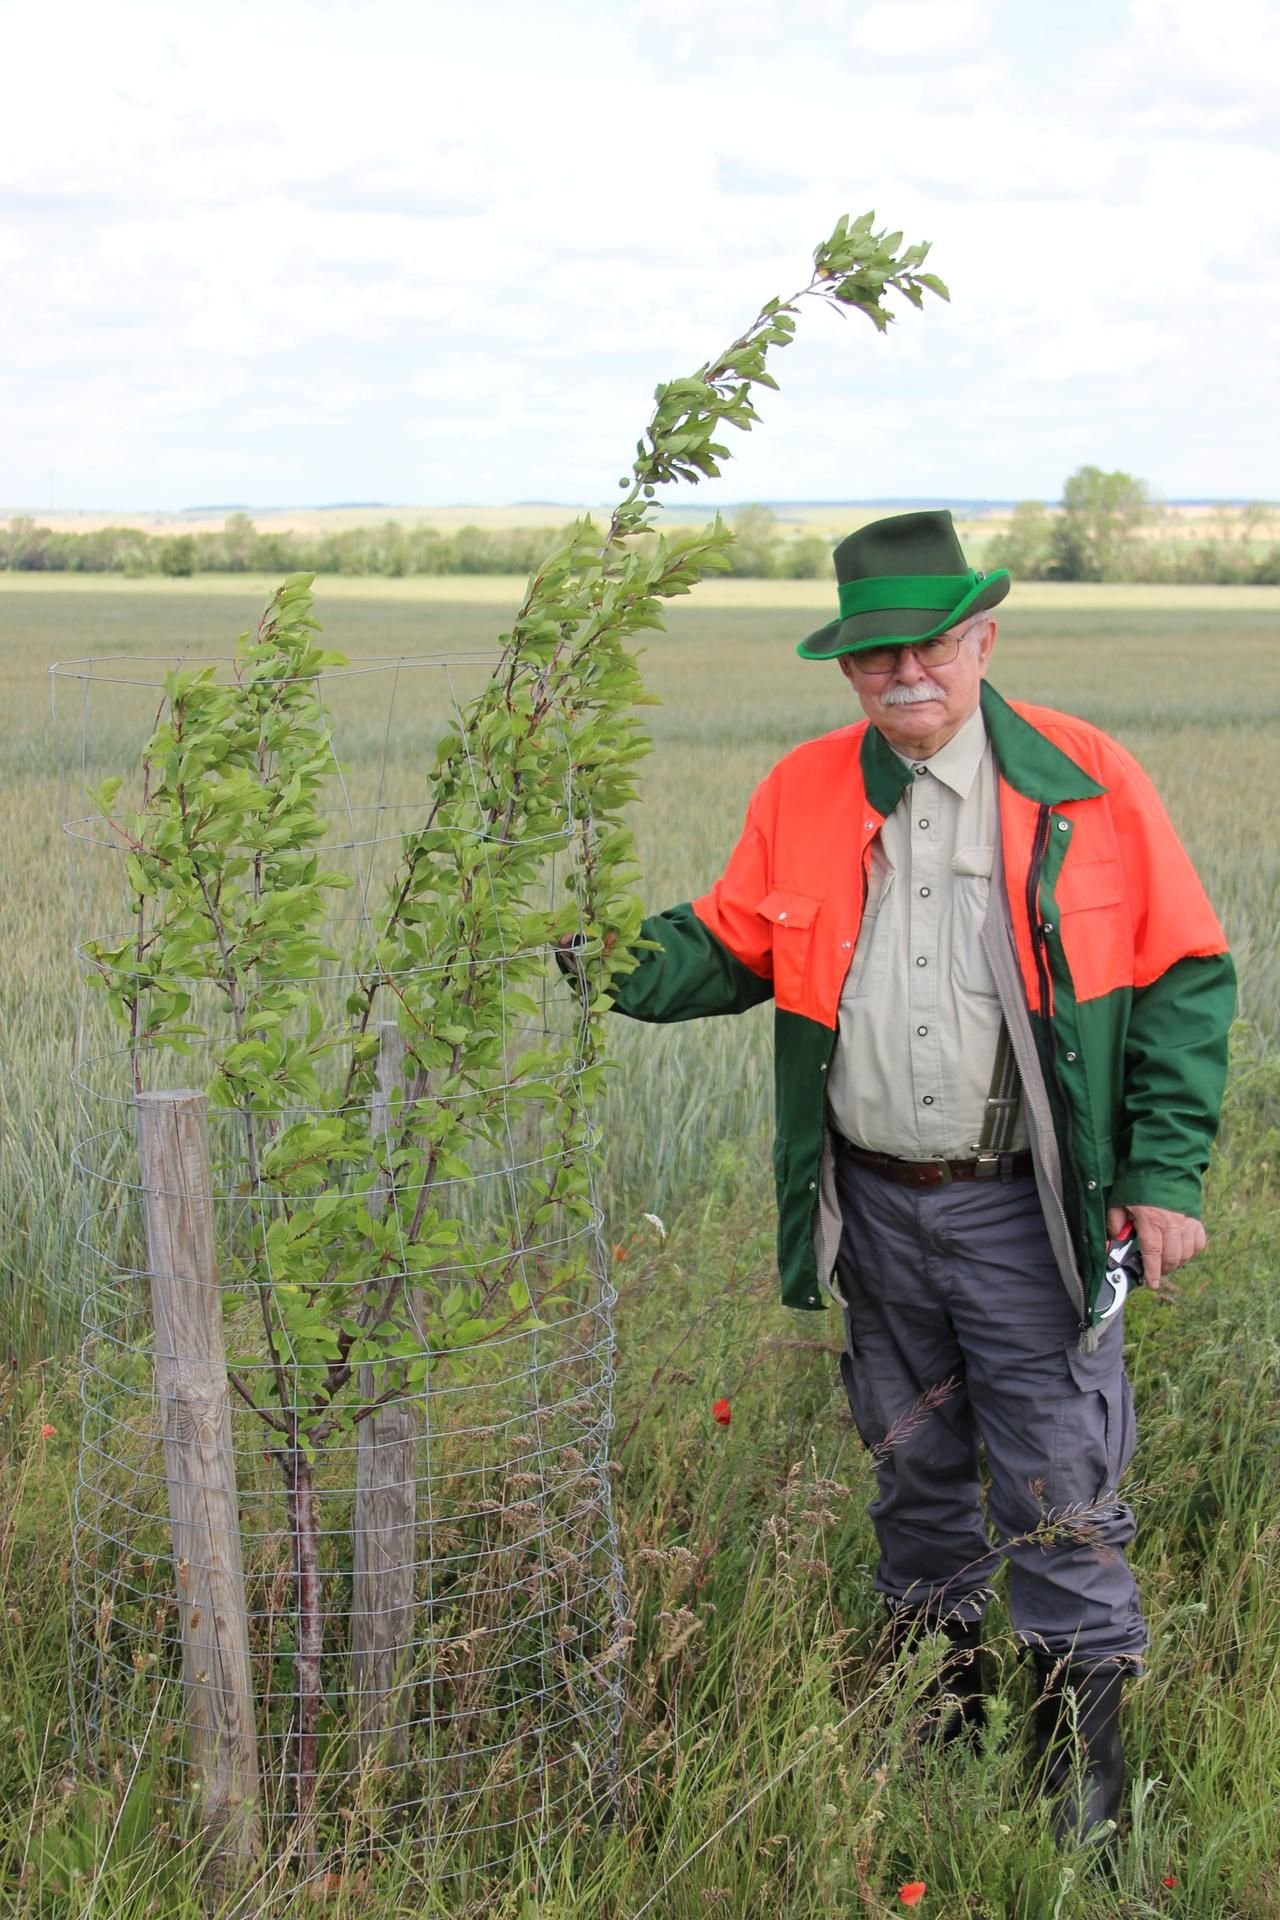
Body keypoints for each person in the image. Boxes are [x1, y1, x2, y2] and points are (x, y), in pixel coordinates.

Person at [578, 509, 1234, 1842]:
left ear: (984, 637)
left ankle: (1083, 1818)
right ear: (850, 672)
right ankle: (937, 1754)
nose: (906, 674)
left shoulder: (1082, 781)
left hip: (1027, 1211)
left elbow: (1181, 976)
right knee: (913, 1476)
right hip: (871, 1210)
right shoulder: (807, 790)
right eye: (876, 657)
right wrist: (587, 952)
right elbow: (730, 942)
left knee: (1060, 1493)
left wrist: (1161, 1175)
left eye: (931, 643)